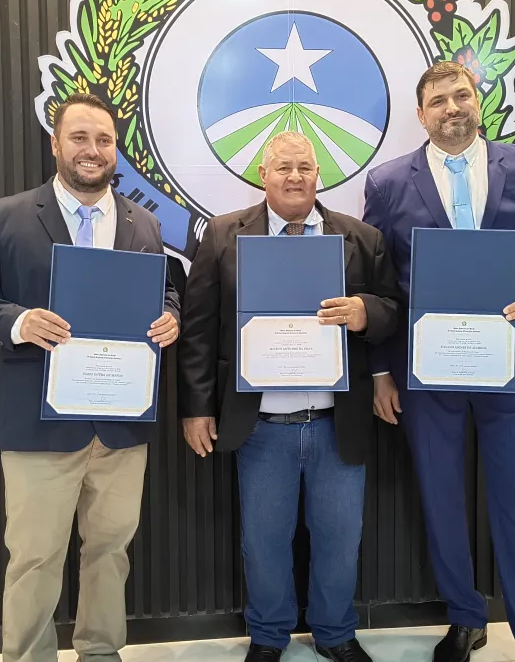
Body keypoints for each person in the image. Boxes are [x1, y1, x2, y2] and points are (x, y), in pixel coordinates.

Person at [0, 93, 180, 662]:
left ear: (115, 149)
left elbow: (167, 289)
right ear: (55, 144)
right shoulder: (7, 216)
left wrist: (171, 315)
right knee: (34, 558)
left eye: (103, 139)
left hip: (121, 426)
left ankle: (101, 651)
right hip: (39, 426)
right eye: (79, 137)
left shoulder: (144, 222)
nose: (91, 150)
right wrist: (20, 321)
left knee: (111, 552)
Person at [362, 62, 515, 662]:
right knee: (441, 497)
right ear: (421, 114)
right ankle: (465, 618)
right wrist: (380, 370)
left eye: (461, 96)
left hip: (509, 366)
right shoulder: (387, 182)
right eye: (438, 101)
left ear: (477, 101)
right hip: (426, 371)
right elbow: (378, 284)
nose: (452, 107)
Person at [178, 132, 400, 662]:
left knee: (340, 538)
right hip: (260, 425)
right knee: (264, 541)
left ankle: (335, 633)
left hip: (336, 421)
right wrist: (196, 407)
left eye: (305, 167)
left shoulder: (362, 238)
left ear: (319, 174)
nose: (295, 176)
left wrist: (366, 312)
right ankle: (269, 635)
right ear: (263, 174)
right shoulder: (224, 235)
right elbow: (199, 330)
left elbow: (393, 308)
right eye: (283, 167)